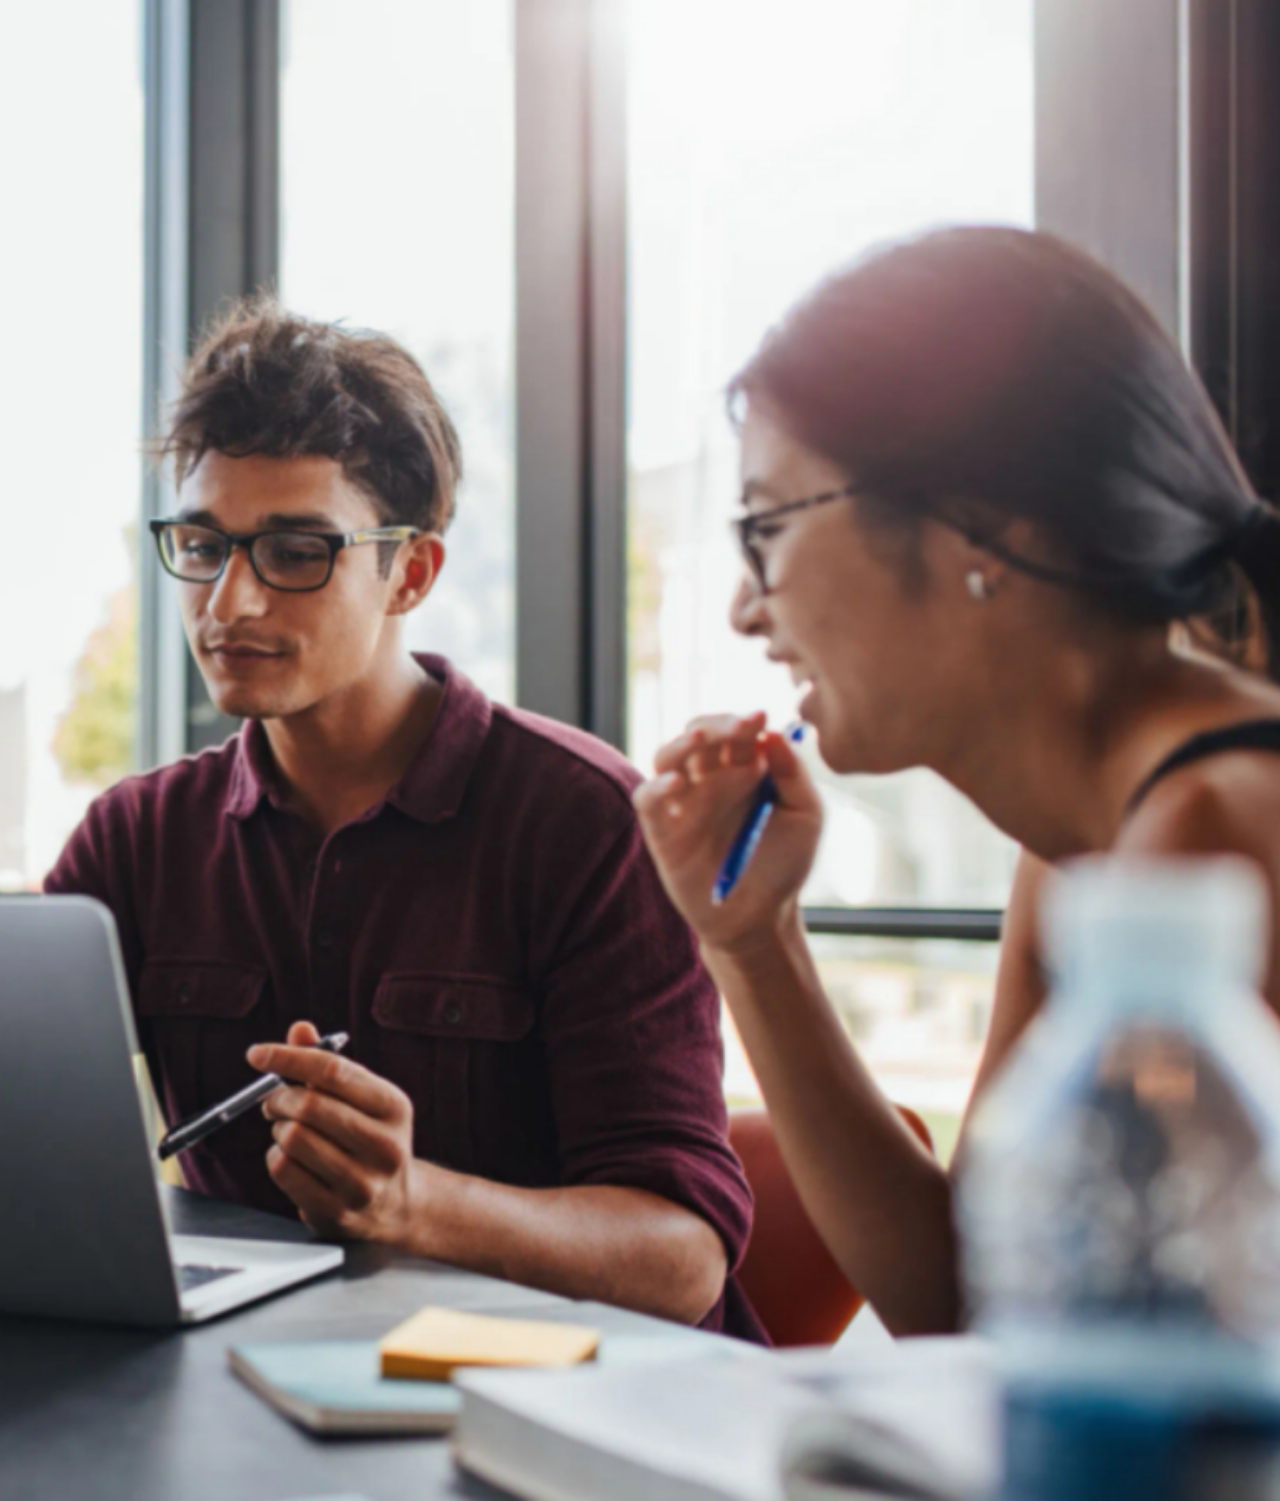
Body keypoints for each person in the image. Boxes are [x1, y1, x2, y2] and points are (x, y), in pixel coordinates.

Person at [632, 226, 1280, 1337]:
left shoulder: (1217, 825)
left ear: (978, 529)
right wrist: (749, 941)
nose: (746, 609)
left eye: (767, 529)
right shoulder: (1085, 841)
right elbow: (966, 1304)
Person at [46, 303, 762, 1338]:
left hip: (578, 1411)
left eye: (295, 551)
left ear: (411, 572)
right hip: (264, 1398)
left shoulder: (586, 822)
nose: (230, 602)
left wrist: (417, 1205)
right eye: (203, 544)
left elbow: (683, 1258)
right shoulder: (136, 838)